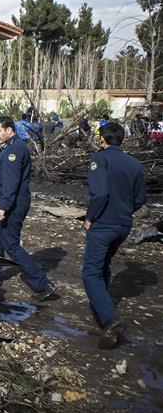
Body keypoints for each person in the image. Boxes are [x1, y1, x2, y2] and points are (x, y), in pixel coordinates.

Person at [81, 122, 147, 349]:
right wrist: (124, 211)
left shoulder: (100, 159)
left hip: (103, 224)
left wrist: (90, 217)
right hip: (123, 224)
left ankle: (110, 320)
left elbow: (99, 194)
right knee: (104, 265)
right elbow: (140, 199)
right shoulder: (135, 163)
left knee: (90, 272)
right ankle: (102, 304)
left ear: (103, 139)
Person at [0, 117, 56, 300]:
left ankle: (42, 285)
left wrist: (3, 207)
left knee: (11, 244)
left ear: (10, 130)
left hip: (13, 204)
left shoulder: (14, 150)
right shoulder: (10, 147)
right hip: (10, 202)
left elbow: (11, 183)